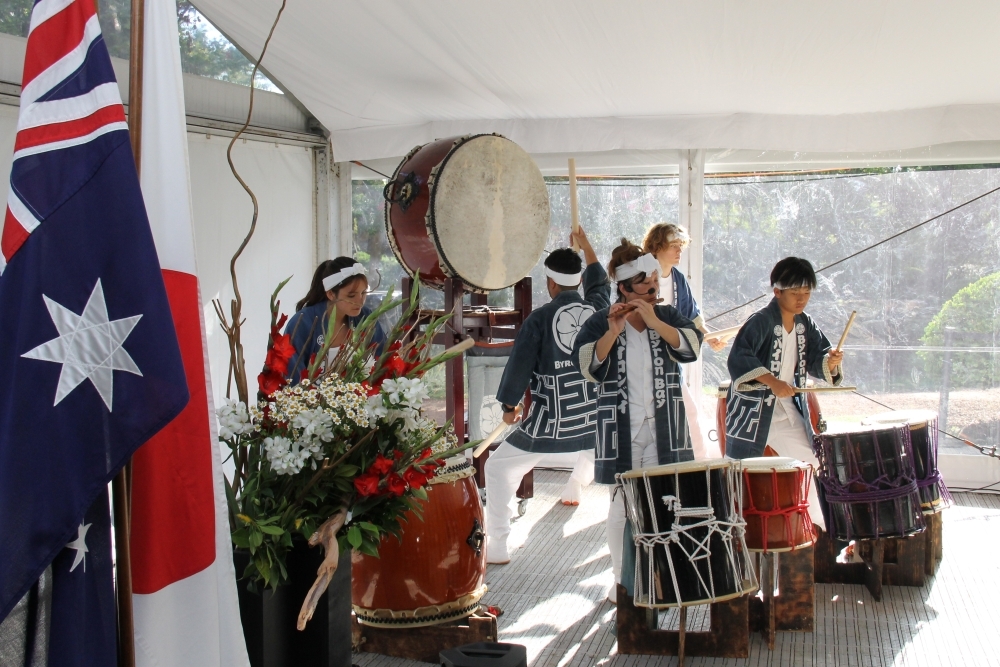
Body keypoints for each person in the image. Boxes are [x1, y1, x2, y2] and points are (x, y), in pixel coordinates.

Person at [573, 239, 703, 602]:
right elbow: (587, 366)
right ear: (624, 288)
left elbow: (691, 347)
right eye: (645, 285)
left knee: (661, 503)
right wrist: (613, 330)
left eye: (655, 285)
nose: (652, 290)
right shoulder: (602, 319)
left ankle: (658, 577)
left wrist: (653, 319)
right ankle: (622, 581)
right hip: (623, 429)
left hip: (662, 427)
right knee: (620, 509)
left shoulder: (667, 314)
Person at [484, 227, 610, 565]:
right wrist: (587, 246)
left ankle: (497, 543)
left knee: (496, 469)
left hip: (552, 424)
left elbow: (519, 367)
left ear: (550, 283)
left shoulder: (538, 320)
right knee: (596, 449)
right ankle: (577, 484)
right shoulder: (598, 310)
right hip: (596, 421)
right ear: (577, 280)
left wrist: (509, 406)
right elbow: (600, 284)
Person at [724, 257, 844, 531]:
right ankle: (735, 533)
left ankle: (821, 526)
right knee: (739, 475)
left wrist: (831, 362)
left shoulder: (805, 324)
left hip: (787, 409)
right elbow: (739, 358)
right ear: (777, 291)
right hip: (754, 414)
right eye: (795, 293)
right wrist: (771, 381)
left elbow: (819, 356)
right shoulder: (761, 322)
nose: (801, 299)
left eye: (806, 293)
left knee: (814, 463)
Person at [642, 223, 726, 459]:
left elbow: (693, 317)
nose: (679, 251)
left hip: (668, 360)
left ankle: (700, 468)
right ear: (657, 246)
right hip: (639, 357)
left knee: (688, 416)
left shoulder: (678, 278)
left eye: (681, 246)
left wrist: (710, 338)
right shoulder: (641, 274)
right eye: (673, 246)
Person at [284, 257, 386, 382]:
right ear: (331, 294)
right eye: (351, 295)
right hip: (310, 398)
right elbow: (292, 375)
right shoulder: (303, 323)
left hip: (358, 397)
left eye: (364, 293)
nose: (360, 301)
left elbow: (382, 359)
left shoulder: (365, 318)